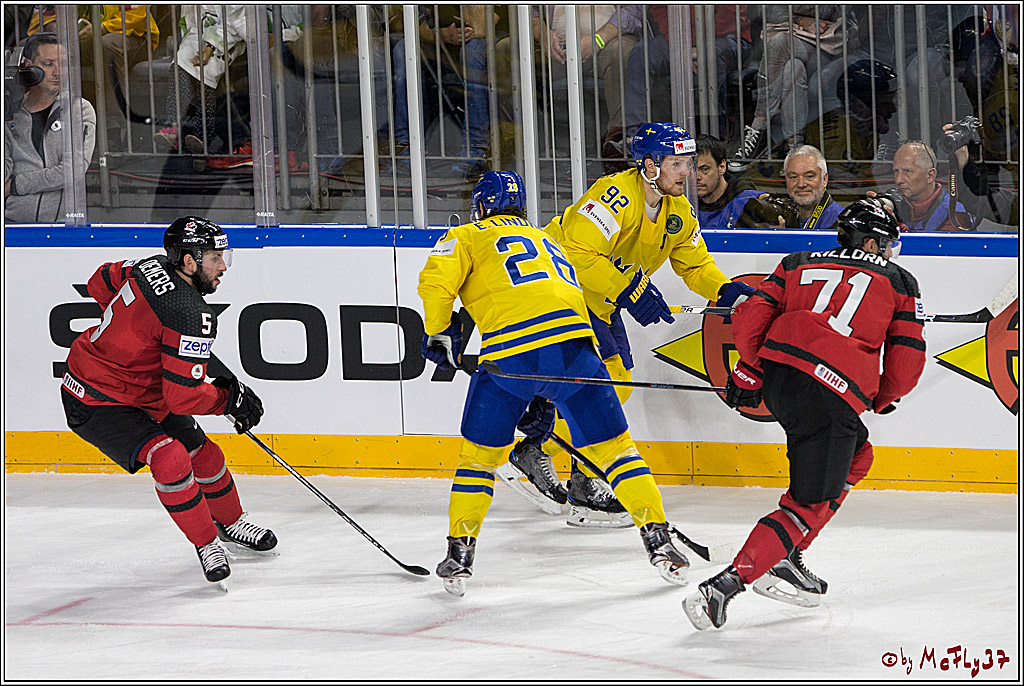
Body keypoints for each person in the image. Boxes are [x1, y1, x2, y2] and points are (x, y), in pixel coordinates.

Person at [417, 170, 692, 596]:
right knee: (619, 452)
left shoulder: (466, 234)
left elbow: (436, 282)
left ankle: (460, 554)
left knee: (477, 461)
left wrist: (437, 331)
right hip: (576, 350)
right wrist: (549, 390)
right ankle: (659, 539)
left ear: (482, 206)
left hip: (511, 356)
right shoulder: (547, 238)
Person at [683, 201, 926, 630]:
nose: (888, 253)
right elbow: (906, 364)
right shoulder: (901, 282)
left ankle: (789, 554)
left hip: (782, 378)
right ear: (871, 242)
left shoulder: (797, 261)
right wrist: (882, 396)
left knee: (859, 456)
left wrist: (754, 366)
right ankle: (724, 586)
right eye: (886, 244)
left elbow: (749, 316)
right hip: (831, 390)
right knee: (806, 502)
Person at [508, 122, 755, 527]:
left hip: (600, 300)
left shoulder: (676, 210)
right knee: (609, 382)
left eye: (689, 163)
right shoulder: (614, 196)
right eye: (677, 163)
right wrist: (631, 289)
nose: (686, 172)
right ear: (649, 165)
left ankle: (536, 448)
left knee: (606, 384)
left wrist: (726, 291)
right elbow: (575, 253)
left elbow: (694, 264)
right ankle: (581, 481)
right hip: (562, 291)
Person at [59, 217, 276, 589]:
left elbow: (100, 282)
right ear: (189, 262)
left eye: (224, 256)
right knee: (170, 456)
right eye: (214, 258)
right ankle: (206, 542)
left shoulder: (148, 266)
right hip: (95, 396)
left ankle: (231, 522)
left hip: (144, 389)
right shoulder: (190, 313)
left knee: (205, 456)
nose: (223, 266)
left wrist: (133, 334)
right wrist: (228, 400)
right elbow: (184, 396)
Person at [729, 5, 855, 171]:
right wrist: (802, 19)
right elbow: (769, 11)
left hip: (826, 46)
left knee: (779, 42)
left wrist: (794, 14)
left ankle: (759, 126)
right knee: (793, 69)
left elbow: (831, 11)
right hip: (789, 47)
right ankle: (795, 149)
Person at [4, 31, 96, 223]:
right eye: (48, 64)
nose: (57, 72)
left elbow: (72, 171)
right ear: (28, 66)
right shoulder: (10, 113)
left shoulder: (79, 109)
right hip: (12, 227)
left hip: (63, 227)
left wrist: (16, 185)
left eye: (62, 64)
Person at [77, 5, 160, 147]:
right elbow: (47, 15)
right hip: (85, 37)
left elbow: (139, 15)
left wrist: (101, 28)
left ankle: (114, 130)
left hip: (132, 35)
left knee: (106, 45)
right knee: (57, 47)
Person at [736, 145, 844, 229]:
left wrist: (784, 240)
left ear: (825, 179)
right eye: (793, 177)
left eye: (809, 176)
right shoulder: (785, 212)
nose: (801, 184)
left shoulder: (839, 221)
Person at [885, 141, 973, 231]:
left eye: (907, 171)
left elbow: (936, 245)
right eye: (896, 171)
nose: (898, 180)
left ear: (930, 175)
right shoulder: (894, 204)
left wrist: (895, 227)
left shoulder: (955, 215)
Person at [695, 133, 760, 228]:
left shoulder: (747, 200)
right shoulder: (684, 203)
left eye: (704, 169)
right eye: (692, 170)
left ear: (722, 167)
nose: (696, 177)